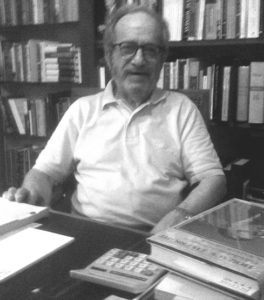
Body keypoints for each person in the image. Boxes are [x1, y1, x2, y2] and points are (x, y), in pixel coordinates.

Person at [2, 4, 226, 234]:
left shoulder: (182, 110)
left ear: (162, 59)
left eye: (150, 49)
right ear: (110, 56)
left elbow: (212, 179)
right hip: (85, 231)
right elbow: (44, 173)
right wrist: (30, 195)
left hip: (156, 235)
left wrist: (177, 218)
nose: (139, 60)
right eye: (128, 47)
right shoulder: (82, 110)